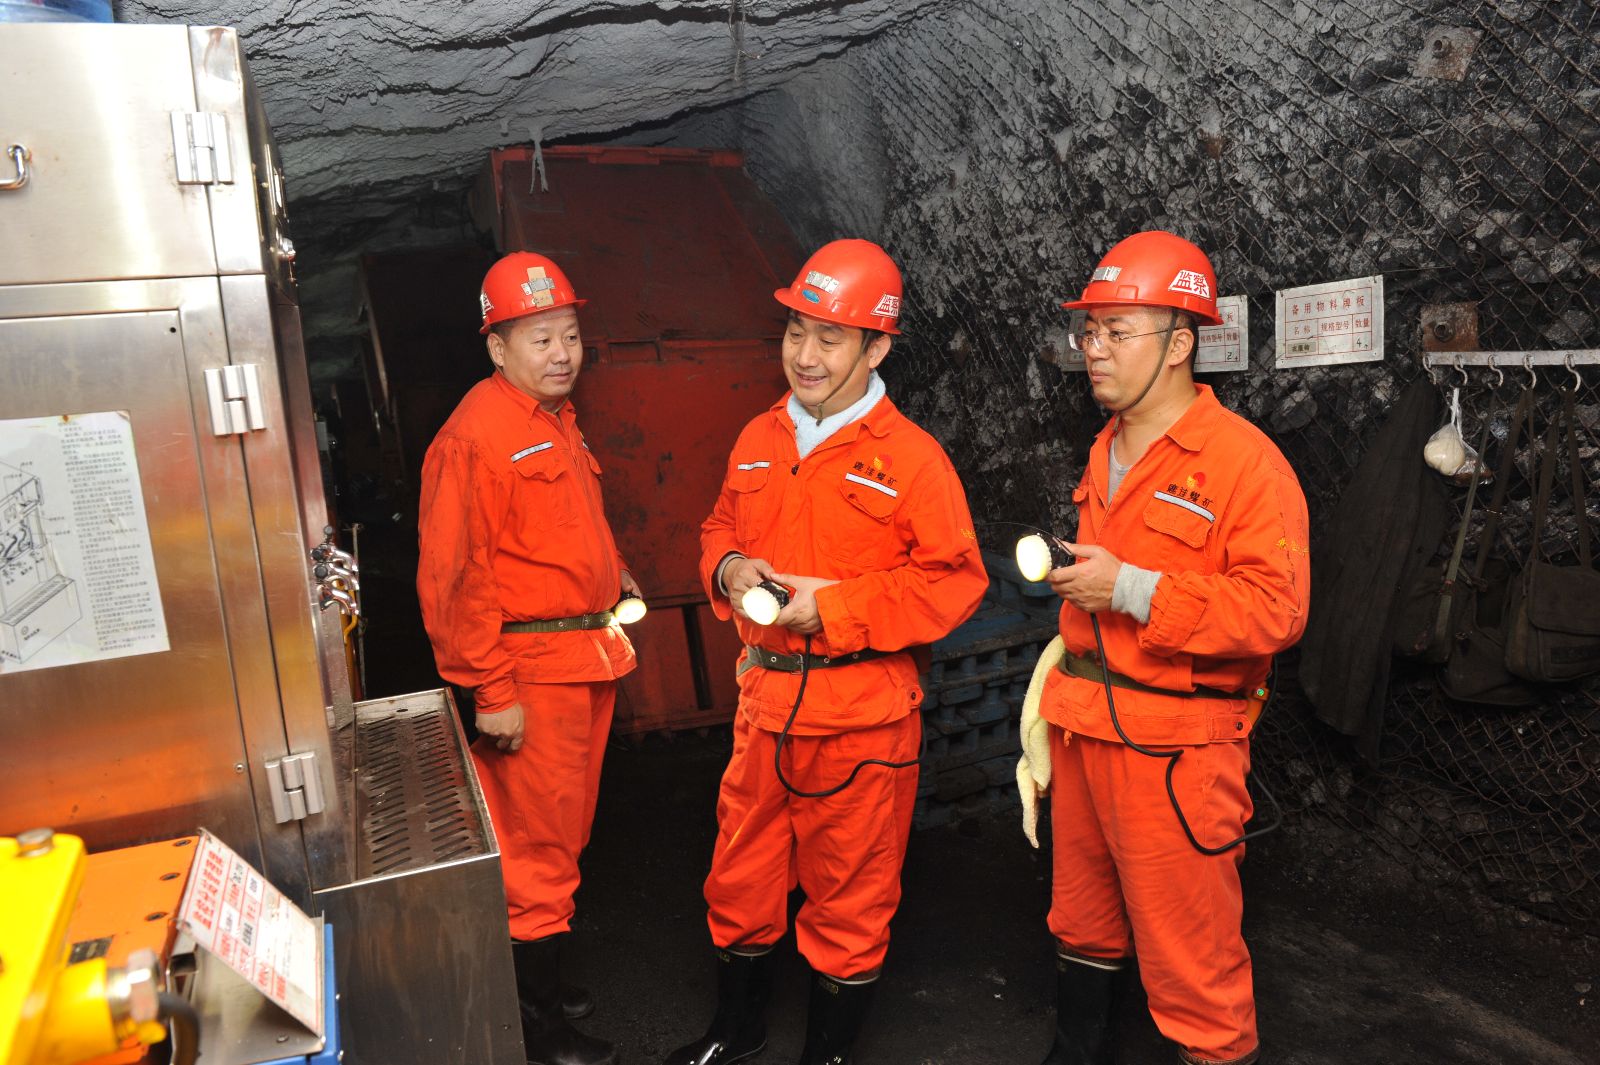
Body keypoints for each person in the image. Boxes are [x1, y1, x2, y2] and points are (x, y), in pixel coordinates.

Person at [668, 239, 989, 1065]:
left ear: (876, 348)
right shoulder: (759, 436)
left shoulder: (913, 460)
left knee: (850, 895)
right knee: (740, 877)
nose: (805, 356)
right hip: (765, 705)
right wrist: (728, 566)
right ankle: (734, 1033)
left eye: (830, 338)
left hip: (860, 718)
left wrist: (836, 607)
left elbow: (954, 583)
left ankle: (829, 1054)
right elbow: (718, 526)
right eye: (795, 331)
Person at [1030, 231, 1310, 1065]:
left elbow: (1277, 610)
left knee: (1191, 956)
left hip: (1175, 748)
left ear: (1181, 343)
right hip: (1085, 727)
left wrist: (1131, 589)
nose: (1094, 349)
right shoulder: (1106, 448)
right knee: (1081, 919)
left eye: (1118, 332)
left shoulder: (1245, 465)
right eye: (1090, 331)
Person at [417, 251, 638, 1065]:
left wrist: (612, 573)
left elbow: (551, 533)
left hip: (583, 656)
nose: (561, 352)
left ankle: (538, 984)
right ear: (497, 347)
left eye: (570, 334)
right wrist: (490, 688)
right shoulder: (475, 435)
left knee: (562, 837)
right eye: (540, 337)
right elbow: (455, 577)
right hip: (531, 673)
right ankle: (538, 1030)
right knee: (536, 850)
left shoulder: (553, 418)